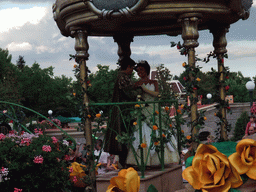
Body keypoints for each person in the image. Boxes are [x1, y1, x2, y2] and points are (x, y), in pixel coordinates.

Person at [126, 61, 180, 166]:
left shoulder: (153, 82)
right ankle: (144, 160)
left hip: (154, 108)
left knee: (158, 129)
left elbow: (157, 94)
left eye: (142, 70)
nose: (140, 72)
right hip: (143, 108)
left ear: (146, 70)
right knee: (142, 131)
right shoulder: (137, 83)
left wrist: (144, 89)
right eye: (138, 71)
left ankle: (160, 158)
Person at [104, 57, 142, 168]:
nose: (132, 71)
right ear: (128, 66)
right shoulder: (123, 78)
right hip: (124, 112)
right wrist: (139, 89)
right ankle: (125, 163)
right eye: (132, 68)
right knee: (125, 135)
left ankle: (126, 162)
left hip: (123, 111)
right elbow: (129, 93)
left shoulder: (122, 77)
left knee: (125, 136)